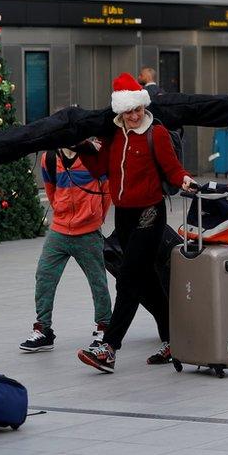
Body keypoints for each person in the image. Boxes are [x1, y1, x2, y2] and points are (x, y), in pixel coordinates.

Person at [75, 72, 196, 374]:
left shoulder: (156, 133)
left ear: (143, 106)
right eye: (128, 110)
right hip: (125, 215)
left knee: (129, 279)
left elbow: (172, 168)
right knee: (148, 283)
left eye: (138, 109)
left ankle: (109, 348)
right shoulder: (113, 136)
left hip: (150, 214)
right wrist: (79, 149)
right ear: (119, 110)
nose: (134, 115)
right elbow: (99, 169)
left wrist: (185, 180)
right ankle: (174, 339)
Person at [19, 144, 113, 352]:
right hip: (59, 230)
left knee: (97, 281)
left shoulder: (93, 155)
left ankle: (104, 326)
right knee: (44, 276)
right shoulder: (50, 158)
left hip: (88, 230)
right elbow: (51, 191)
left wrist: (95, 217)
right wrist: (62, 214)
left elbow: (107, 190)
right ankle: (43, 329)